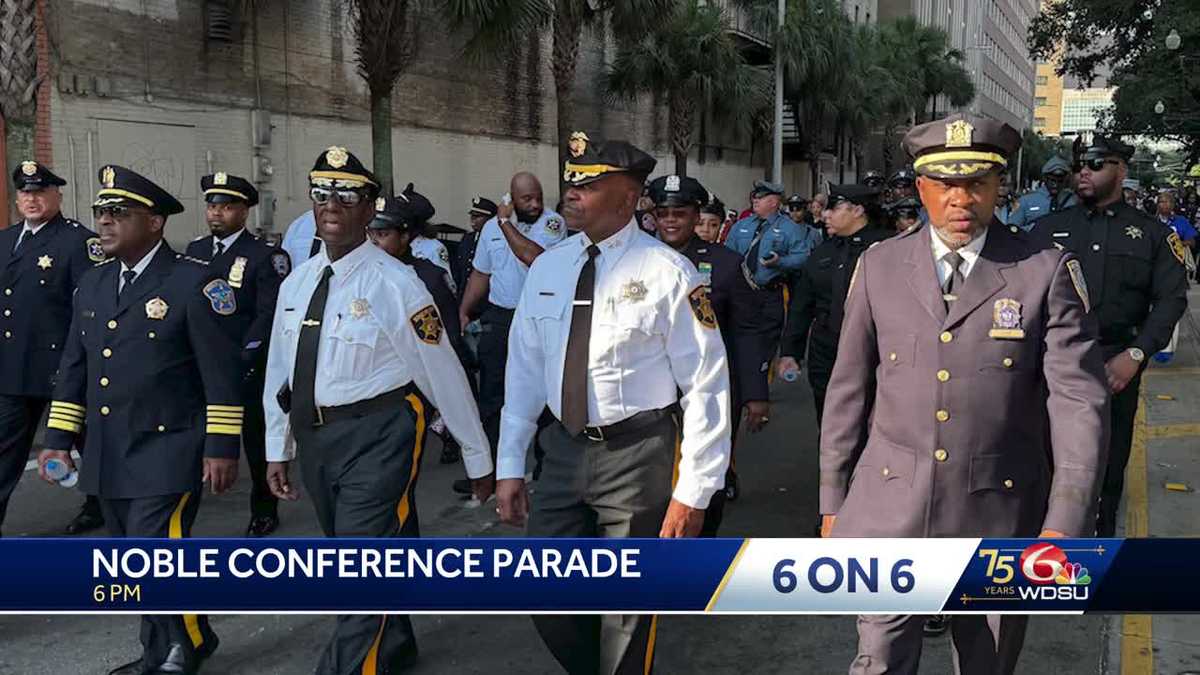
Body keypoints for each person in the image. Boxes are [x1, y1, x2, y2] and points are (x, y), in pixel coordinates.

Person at [820, 114, 1109, 674]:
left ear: (999, 186)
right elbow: (848, 388)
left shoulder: (1042, 270)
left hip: (997, 510)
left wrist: (1065, 520)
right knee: (877, 659)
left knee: (988, 664)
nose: (961, 200)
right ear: (920, 188)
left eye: (976, 183)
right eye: (945, 184)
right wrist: (832, 499)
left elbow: (1078, 403)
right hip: (891, 507)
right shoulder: (878, 266)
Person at [496, 134, 731, 674]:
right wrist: (510, 464)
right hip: (562, 451)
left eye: (590, 184)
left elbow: (706, 385)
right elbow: (525, 373)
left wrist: (693, 492)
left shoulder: (668, 273)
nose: (572, 193)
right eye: (572, 181)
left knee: (626, 609)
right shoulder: (549, 270)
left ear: (628, 199)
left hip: (639, 453)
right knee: (544, 590)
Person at [262, 147, 494, 674]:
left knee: (358, 565)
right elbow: (280, 372)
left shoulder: (397, 283)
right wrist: (279, 445)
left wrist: (479, 457)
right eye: (322, 194)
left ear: (370, 211)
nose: (333, 205)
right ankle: (394, 641)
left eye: (348, 196)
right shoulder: (297, 284)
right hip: (317, 438)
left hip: (379, 435)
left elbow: (442, 372)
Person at [38, 165, 244, 675]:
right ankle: (169, 644)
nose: (104, 224)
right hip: (111, 448)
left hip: (169, 445)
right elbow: (75, 367)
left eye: (118, 214)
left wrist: (221, 446)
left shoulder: (194, 282)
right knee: (126, 557)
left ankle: (179, 649)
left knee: (152, 552)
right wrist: (58, 437)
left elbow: (221, 374)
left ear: (154, 223)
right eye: (101, 214)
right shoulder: (92, 283)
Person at [1036, 134, 1189, 538]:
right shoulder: (1047, 230)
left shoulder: (1152, 234)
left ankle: (1093, 559)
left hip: (1114, 365)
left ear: (1120, 169)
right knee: (1043, 463)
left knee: (1105, 468)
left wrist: (1136, 354)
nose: (1083, 171)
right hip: (1048, 366)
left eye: (1096, 164)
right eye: (1080, 165)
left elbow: (1172, 300)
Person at [648, 173, 767, 533]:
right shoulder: (636, 258)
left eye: (680, 213)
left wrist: (756, 394)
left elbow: (747, 331)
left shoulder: (726, 264)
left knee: (704, 480)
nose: (670, 220)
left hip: (709, 389)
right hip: (650, 395)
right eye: (663, 213)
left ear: (695, 215)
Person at [0, 161, 106, 536]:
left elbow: (92, 306)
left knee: (88, 443)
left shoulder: (79, 241)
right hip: (15, 367)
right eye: (25, 192)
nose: (31, 199)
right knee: (5, 451)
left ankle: (101, 506)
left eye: (40, 192)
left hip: (65, 366)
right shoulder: (5, 239)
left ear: (56, 195)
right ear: (16, 198)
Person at [184, 172, 290, 538]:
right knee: (199, 435)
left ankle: (264, 508)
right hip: (202, 367)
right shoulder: (195, 251)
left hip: (247, 367)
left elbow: (268, 314)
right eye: (212, 206)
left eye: (226, 207)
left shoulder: (265, 255)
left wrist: (244, 356)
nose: (216, 214)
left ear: (244, 212)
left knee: (257, 441)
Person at [458, 171, 566, 493]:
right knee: (492, 395)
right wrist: (464, 309)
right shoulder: (491, 228)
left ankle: (546, 471)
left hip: (539, 317)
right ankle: (488, 472)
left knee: (543, 397)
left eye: (538, 197)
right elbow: (481, 273)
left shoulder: (553, 224)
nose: (534, 204)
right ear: (512, 198)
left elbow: (534, 258)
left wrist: (505, 224)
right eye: (526, 199)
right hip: (501, 317)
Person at [778, 184, 893, 430]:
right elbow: (802, 306)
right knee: (830, 420)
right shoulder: (823, 252)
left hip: (875, 350)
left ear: (858, 210)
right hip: (827, 349)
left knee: (874, 422)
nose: (825, 214)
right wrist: (791, 352)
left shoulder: (888, 248)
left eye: (834, 208)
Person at [724, 180, 822, 360]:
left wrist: (781, 262)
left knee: (766, 344)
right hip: (740, 293)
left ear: (774, 202)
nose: (755, 200)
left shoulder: (789, 228)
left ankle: (762, 379)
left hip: (770, 294)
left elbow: (803, 257)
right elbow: (727, 253)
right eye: (755, 197)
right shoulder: (741, 226)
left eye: (761, 197)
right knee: (738, 341)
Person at [1009, 155, 1077, 231]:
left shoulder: (1072, 200)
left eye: (1060, 181)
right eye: (1052, 180)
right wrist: (1034, 229)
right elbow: (1012, 229)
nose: (1055, 184)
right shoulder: (1026, 201)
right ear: (1045, 178)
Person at [454, 196, 496, 296]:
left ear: (490, 219)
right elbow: (459, 270)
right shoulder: (467, 238)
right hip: (464, 296)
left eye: (478, 216)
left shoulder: (495, 241)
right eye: (472, 215)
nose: (472, 219)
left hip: (485, 300)